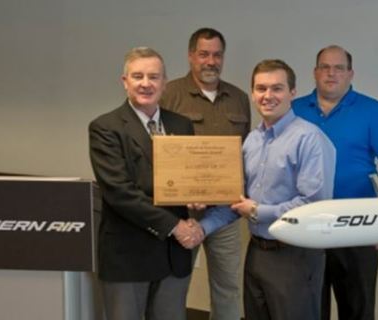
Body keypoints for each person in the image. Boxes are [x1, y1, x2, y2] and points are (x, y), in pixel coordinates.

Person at [200, 59, 336, 320]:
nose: (268, 96)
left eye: (277, 88)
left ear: (292, 93)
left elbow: (314, 206)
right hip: (257, 253)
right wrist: (201, 227)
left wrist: (259, 211)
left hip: (295, 255)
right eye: (261, 89)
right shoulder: (252, 141)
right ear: (252, 94)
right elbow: (236, 200)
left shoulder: (310, 139)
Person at [89, 47, 204, 320]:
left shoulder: (182, 125)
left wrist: (198, 196)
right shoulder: (106, 127)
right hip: (128, 256)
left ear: (165, 83)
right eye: (137, 76)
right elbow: (120, 193)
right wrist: (175, 226)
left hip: (173, 257)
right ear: (124, 81)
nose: (146, 83)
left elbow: (187, 178)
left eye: (154, 76)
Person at [292, 45, 378, 320]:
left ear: (350, 73)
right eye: (325, 67)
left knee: (358, 307)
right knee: (308, 307)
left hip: (359, 225)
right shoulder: (293, 109)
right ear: (315, 72)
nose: (331, 73)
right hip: (307, 222)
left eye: (339, 68)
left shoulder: (372, 110)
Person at [160, 27, 251, 320]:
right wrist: (186, 194)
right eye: (203, 54)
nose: (210, 61)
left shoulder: (238, 98)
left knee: (227, 287)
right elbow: (156, 152)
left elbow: (244, 154)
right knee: (174, 286)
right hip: (181, 215)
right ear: (190, 56)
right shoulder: (169, 94)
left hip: (225, 214)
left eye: (217, 55)